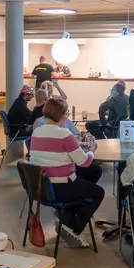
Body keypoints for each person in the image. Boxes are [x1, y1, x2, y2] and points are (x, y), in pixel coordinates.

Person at [29, 98, 105, 248]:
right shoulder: (64, 134)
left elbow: (52, 149)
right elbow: (84, 162)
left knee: (93, 172)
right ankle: (72, 227)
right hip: (60, 188)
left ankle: (68, 212)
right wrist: (91, 150)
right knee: (98, 192)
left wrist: (76, 145)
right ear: (61, 114)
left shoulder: (37, 131)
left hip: (41, 188)